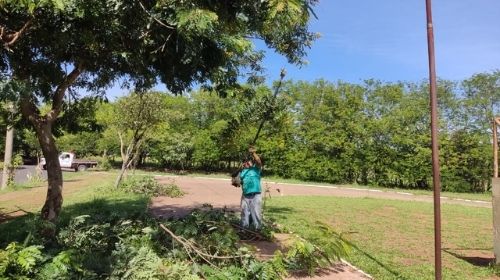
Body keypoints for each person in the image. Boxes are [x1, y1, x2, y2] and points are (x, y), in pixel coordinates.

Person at [239, 146, 263, 229]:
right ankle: (244, 229)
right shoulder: (242, 172)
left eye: (249, 162)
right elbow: (237, 182)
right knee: (244, 212)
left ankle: (257, 229)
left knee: (256, 213)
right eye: (246, 162)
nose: (247, 163)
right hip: (245, 195)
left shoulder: (256, 169)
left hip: (256, 194)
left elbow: (259, 161)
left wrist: (253, 153)